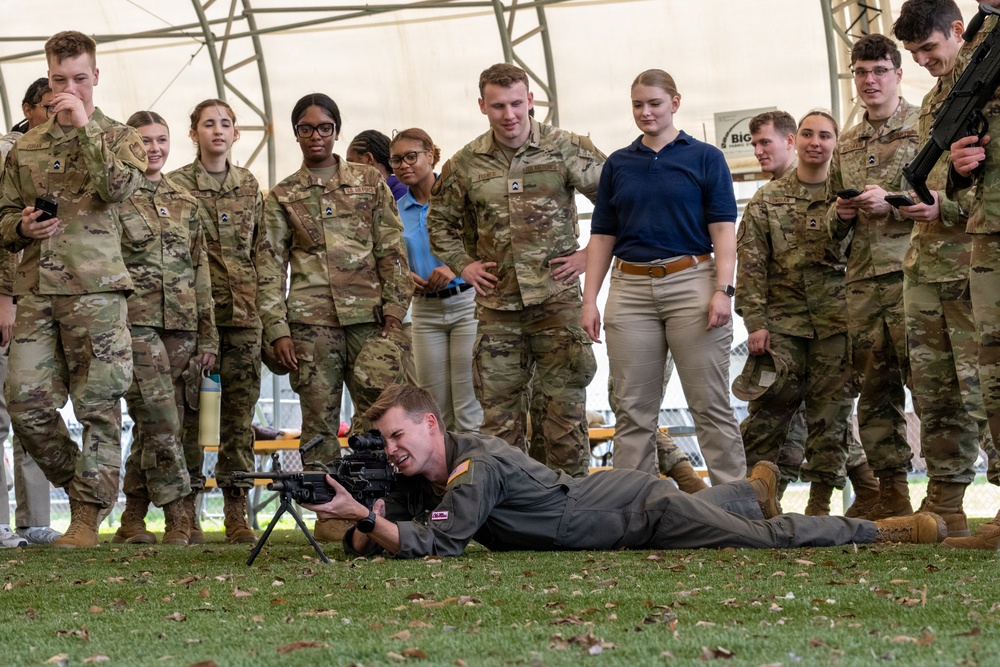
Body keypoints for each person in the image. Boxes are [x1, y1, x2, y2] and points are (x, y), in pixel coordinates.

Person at [303, 384, 945, 559]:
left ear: (431, 426)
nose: (390, 451)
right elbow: (399, 530)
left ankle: (885, 531)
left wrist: (362, 521)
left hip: (644, 512)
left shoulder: (476, 467)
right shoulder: (432, 476)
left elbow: (440, 542)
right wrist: (364, 522)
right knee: (734, 513)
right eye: (384, 441)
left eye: (397, 437)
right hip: (619, 502)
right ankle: (748, 491)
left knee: (761, 544)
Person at [0, 31, 147, 548]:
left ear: (96, 77)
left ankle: (85, 517)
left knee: (99, 405)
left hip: (97, 292)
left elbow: (118, 189)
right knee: (24, 401)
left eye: (79, 79)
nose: (69, 89)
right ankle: (85, 485)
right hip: (37, 292)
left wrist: (84, 128)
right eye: (60, 80)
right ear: (47, 76)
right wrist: (21, 227)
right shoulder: (27, 146)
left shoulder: (119, 135)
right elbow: (1, 220)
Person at [255, 93, 414, 542]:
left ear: (336, 131)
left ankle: (381, 505)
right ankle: (329, 514)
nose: (316, 136)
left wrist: (394, 313)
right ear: (297, 134)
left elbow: (391, 249)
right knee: (320, 423)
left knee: (381, 418)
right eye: (306, 128)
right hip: (311, 325)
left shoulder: (368, 181)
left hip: (370, 321)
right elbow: (268, 269)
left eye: (324, 127)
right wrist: (277, 329)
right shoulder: (283, 194)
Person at [428, 63, 599, 478]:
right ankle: (510, 505)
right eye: (499, 106)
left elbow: (621, 201)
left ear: (531, 101)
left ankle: (573, 505)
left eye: (517, 104)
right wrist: (464, 265)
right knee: (500, 417)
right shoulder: (465, 163)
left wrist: (589, 254)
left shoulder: (566, 148)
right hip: (497, 308)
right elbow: (439, 222)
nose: (510, 115)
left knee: (564, 413)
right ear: (482, 105)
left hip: (556, 301)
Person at [582, 68, 745, 485]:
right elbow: (602, 236)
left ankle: (737, 507)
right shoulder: (618, 163)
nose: (645, 112)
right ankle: (630, 508)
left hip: (692, 280)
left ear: (675, 102)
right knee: (633, 409)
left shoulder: (706, 157)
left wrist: (724, 290)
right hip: (630, 288)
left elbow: (724, 231)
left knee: (709, 404)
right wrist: (589, 300)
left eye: (654, 103)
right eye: (637, 104)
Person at [892, 0, 994, 538]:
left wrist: (943, 206)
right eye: (913, 53)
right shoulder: (937, 99)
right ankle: (945, 504)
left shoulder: (989, 85)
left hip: (972, 262)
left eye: (929, 48)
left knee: (986, 388)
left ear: (960, 31)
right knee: (934, 394)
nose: (923, 60)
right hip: (925, 265)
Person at [737, 110, 860, 517]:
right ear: (795, 140)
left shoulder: (850, 196)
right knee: (768, 413)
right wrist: (754, 323)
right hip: (783, 327)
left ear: (835, 143)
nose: (815, 142)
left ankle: (820, 506)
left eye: (825, 135)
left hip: (837, 324)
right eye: (808, 133)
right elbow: (751, 266)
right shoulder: (767, 200)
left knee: (831, 416)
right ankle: (757, 501)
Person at [112, 111, 219, 546]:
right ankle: (180, 515)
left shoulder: (186, 201)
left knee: (165, 424)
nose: (153, 149)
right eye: (143, 142)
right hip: (134, 324)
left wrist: (208, 335)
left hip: (182, 326)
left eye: (161, 140)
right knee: (160, 419)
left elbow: (201, 271)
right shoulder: (114, 199)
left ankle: (132, 520)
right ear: (126, 147)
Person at [827, 34, 920, 520]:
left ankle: (947, 492)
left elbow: (943, 200)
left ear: (898, 74)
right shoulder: (846, 143)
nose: (869, 80)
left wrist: (895, 203)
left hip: (915, 276)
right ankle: (892, 496)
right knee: (875, 391)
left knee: (930, 386)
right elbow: (829, 226)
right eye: (861, 72)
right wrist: (842, 213)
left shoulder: (925, 126)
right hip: (863, 284)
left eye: (879, 70)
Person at [169, 99, 263, 544]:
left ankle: (236, 509)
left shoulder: (249, 184)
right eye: (209, 124)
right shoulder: (176, 187)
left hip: (244, 317)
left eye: (226, 124)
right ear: (194, 133)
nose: (218, 131)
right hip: (192, 316)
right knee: (189, 414)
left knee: (238, 417)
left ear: (236, 133)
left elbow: (263, 252)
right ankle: (185, 510)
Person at [946, 0, 1000, 549]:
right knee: (996, 372)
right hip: (990, 230)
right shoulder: (978, 50)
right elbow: (962, 148)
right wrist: (961, 166)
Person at [0, 78, 62, 548]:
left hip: (54, 301)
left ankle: (34, 520)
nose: (56, 112)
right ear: (27, 109)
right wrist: (4, 297)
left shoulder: (76, 148)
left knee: (35, 411)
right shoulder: (10, 152)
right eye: (47, 106)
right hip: (13, 300)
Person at [389, 128, 481, 433]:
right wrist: (406, 276)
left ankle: (473, 477)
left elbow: (486, 244)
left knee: (469, 406)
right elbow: (391, 258)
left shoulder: (460, 199)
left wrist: (456, 268)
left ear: (431, 155)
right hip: (425, 311)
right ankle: (447, 479)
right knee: (436, 410)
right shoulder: (395, 211)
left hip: (466, 303)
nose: (404, 165)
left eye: (411, 156)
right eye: (397, 160)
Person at [347, 129, 408, 200]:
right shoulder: (374, 193)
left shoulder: (400, 192)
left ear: (369, 159)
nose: (347, 168)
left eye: (350, 162)